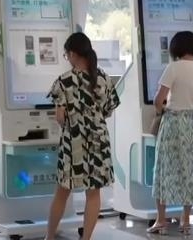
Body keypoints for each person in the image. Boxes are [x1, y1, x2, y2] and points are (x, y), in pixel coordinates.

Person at [45, 32, 120, 240]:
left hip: (74, 141)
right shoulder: (104, 78)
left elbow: (60, 117)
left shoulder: (64, 81)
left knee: (62, 192)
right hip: (98, 140)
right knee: (93, 193)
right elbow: (108, 110)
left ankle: (49, 237)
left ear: (72, 54)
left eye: (66, 54)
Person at [149, 31, 193, 235]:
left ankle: (161, 220)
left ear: (176, 48)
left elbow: (158, 100)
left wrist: (160, 110)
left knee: (164, 169)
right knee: (191, 170)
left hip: (175, 123)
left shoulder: (173, 68)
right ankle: (185, 220)